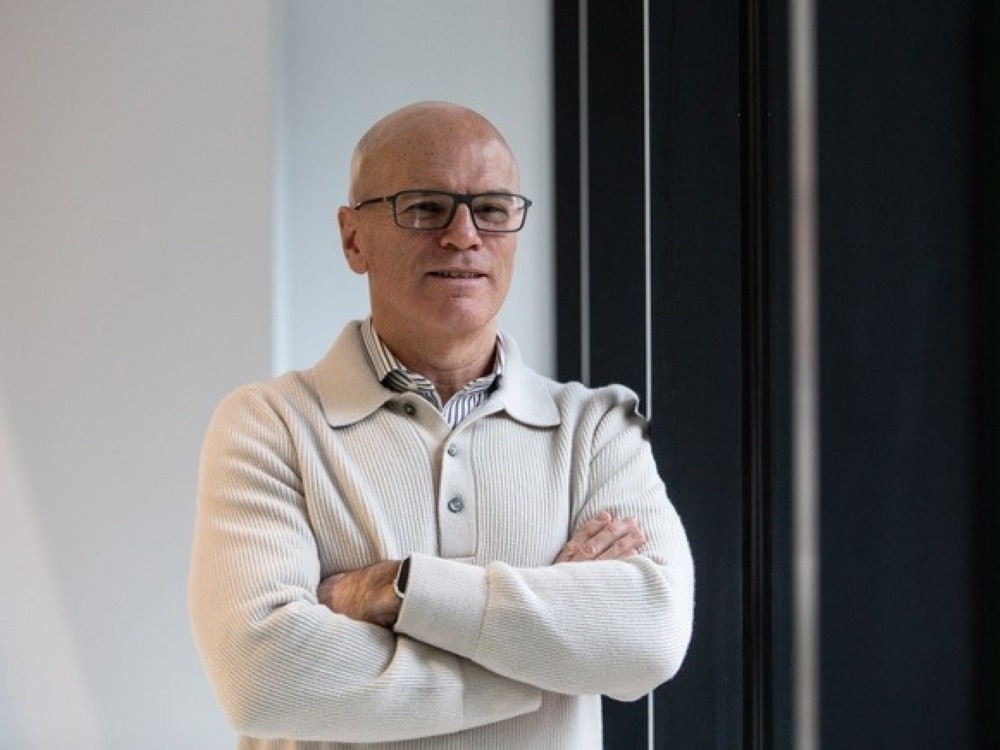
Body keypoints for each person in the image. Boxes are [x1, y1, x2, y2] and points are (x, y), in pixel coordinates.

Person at [189, 101, 695, 749]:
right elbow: (262, 679)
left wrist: (399, 591)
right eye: (425, 207)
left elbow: (650, 638)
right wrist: (546, 661)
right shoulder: (269, 427)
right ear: (353, 238)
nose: (463, 235)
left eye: (492, 208)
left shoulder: (599, 429)